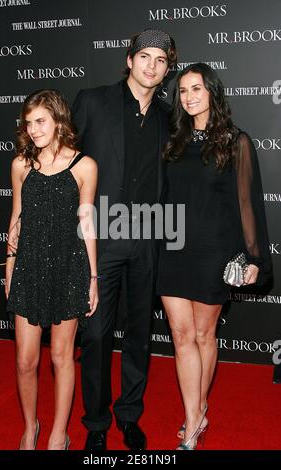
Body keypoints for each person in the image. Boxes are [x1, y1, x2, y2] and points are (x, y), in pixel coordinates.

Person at [156, 63, 272, 450]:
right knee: (181, 335)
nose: (189, 97)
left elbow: (247, 202)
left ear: (212, 92)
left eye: (197, 89)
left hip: (213, 251)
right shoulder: (171, 141)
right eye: (183, 90)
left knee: (204, 335)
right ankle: (194, 420)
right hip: (172, 250)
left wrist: (254, 257)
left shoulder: (234, 141)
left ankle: (198, 409)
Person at [72, 29, 177, 450]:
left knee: (139, 335)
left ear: (168, 69)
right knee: (95, 334)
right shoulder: (93, 101)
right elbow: (66, 164)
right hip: (102, 238)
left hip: (149, 236)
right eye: (145, 56)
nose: (152, 66)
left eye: (161, 60)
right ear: (129, 59)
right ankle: (96, 423)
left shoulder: (172, 118)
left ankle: (129, 415)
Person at [5, 89, 98, 450]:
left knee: (62, 357)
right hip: (28, 267)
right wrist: (10, 268)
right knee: (25, 361)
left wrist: (92, 277)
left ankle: (59, 433)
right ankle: (31, 427)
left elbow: (87, 223)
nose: (33, 130)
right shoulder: (20, 165)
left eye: (40, 121)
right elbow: (16, 220)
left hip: (69, 267)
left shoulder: (84, 166)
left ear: (59, 120)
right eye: (28, 124)